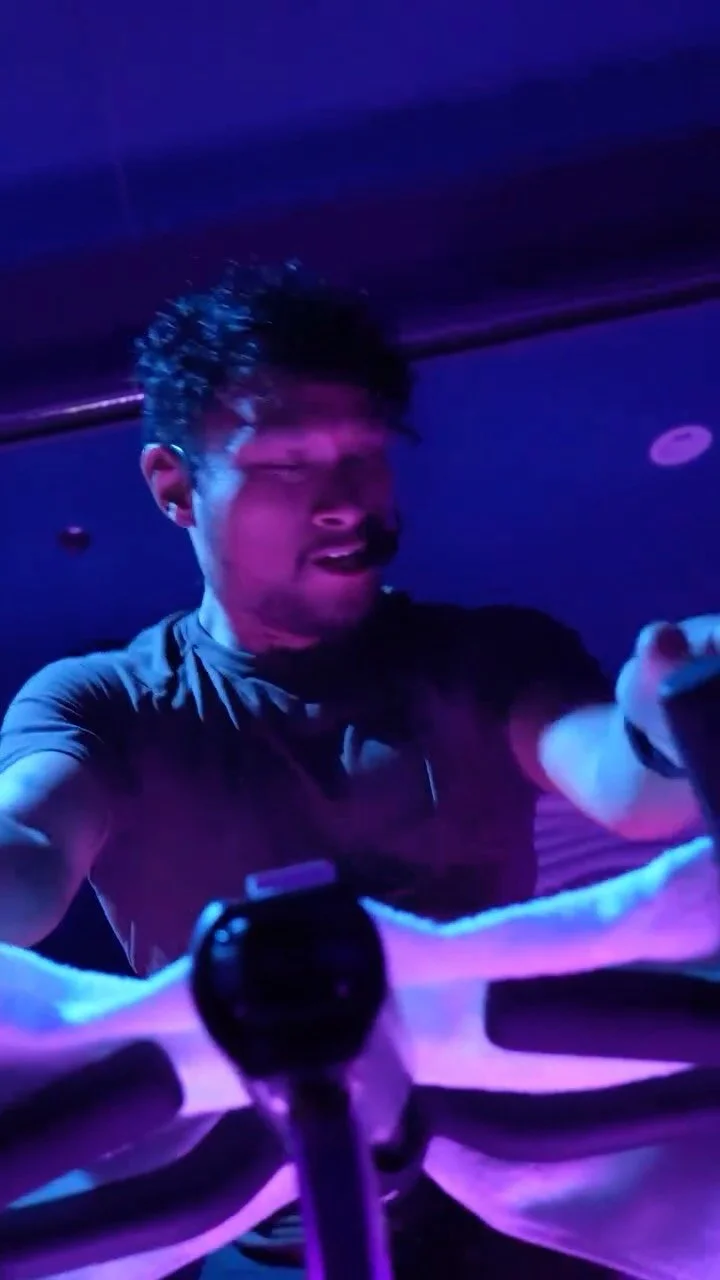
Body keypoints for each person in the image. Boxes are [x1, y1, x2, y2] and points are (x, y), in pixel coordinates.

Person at [0, 260, 714, 1278]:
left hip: (515, 1176)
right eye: (287, 464)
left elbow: (625, 782)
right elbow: (25, 849)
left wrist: (668, 713)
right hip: (251, 1207)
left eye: (364, 455)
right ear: (174, 487)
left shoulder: (485, 654)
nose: (343, 502)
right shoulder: (102, 700)